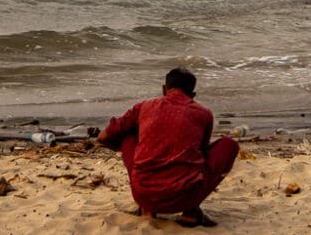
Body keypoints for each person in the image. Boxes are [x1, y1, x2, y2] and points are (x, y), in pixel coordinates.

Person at [99, 67, 238, 226]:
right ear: (193, 95)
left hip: (144, 195)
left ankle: (147, 209)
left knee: (129, 138)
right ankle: (191, 213)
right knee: (229, 145)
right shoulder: (203, 113)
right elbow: (202, 153)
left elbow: (103, 137)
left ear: (164, 89)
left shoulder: (144, 107)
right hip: (185, 197)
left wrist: (122, 147)